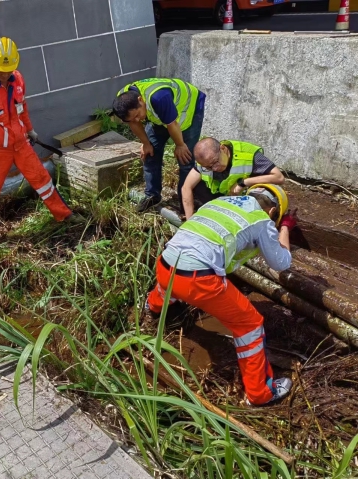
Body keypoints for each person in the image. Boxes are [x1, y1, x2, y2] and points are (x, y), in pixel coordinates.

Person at [145, 184, 298, 406]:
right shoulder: (261, 219)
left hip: (165, 263)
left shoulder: (219, 202)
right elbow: (281, 262)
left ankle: (152, 307)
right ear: (273, 211)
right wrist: (284, 228)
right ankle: (260, 393)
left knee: (168, 286)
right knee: (251, 325)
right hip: (198, 280)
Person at [0, 37, 82, 247]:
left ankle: (63, 214)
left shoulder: (18, 80)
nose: (6, 74)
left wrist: (30, 130)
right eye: (1, 70)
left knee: (42, 180)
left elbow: (21, 107)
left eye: (9, 70)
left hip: (21, 144)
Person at [112, 78, 206, 212]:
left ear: (140, 100)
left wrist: (180, 145)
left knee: (185, 159)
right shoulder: (124, 100)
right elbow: (133, 122)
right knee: (150, 155)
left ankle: (185, 203)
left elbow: (172, 124)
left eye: (138, 115)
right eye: (132, 118)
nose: (138, 120)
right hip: (160, 115)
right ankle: (152, 196)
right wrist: (145, 144)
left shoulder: (159, 97)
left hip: (188, 108)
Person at [182, 137, 285, 218]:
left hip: (245, 200)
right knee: (194, 186)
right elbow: (186, 187)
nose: (214, 168)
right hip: (221, 198)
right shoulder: (205, 162)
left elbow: (279, 177)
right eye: (208, 167)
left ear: (223, 148)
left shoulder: (247, 155)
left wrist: (244, 182)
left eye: (215, 162)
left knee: (262, 199)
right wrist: (189, 220)